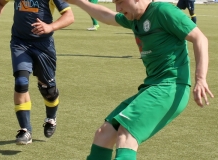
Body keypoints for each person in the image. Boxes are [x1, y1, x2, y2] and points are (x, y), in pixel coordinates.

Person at [64, 0, 213, 159]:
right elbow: (106, 15)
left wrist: (200, 78)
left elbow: (200, 38)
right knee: (104, 134)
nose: (118, 8)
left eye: (120, 2)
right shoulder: (134, 18)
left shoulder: (162, 11)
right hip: (151, 87)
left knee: (126, 136)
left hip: (170, 87)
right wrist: (78, 1)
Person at [0, 0, 74, 145]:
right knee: (21, 82)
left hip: (44, 45)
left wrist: (50, 26)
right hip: (20, 43)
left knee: (49, 90)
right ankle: (25, 130)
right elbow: (0, 3)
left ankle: (51, 118)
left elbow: (69, 16)